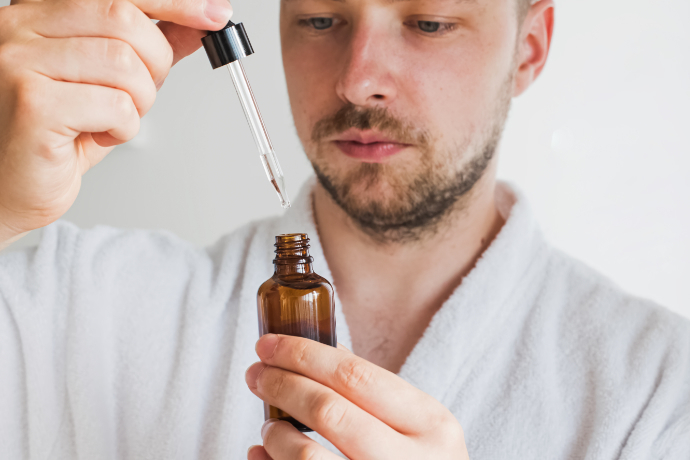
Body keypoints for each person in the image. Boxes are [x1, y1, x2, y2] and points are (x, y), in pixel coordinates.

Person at [0, 0, 688, 458]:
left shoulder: (658, 393)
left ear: (529, 50)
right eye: (323, 19)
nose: (359, 82)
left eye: (429, 22)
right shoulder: (74, 307)